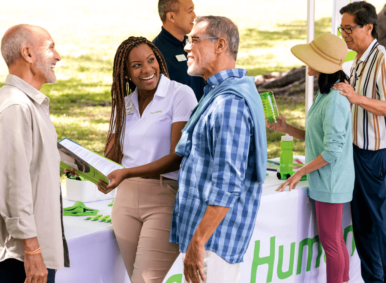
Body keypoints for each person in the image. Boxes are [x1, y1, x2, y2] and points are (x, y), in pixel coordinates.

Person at [172, 16, 267, 283]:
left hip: (213, 241)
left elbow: (227, 183)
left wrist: (199, 241)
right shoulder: (218, 93)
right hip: (206, 237)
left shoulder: (228, 103)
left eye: (194, 40)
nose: (187, 47)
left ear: (220, 45)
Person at [0, 24, 69, 283]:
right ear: (27, 54)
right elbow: (13, 185)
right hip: (20, 256)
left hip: (31, 251)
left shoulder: (27, 103)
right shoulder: (15, 105)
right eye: (50, 48)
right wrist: (33, 250)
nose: (58, 56)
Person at [95, 36, 197, 283]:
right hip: (125, 202)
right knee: (136, 279)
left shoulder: (180, 94)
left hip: (165, 198)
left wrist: (127, 173)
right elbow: (112, 156)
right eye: (137, 65)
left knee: (144, 280)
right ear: (127, 73)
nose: (147, 69)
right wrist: (85, 167)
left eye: (151, 60)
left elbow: (178, 157)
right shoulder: (124, 103)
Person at [270, 33, 354, 283]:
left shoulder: (335, 99)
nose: (306, 63)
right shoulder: (325, 94)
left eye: (311, 58)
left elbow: (332, 151)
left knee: (332, 243)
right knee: (335, 241)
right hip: (326, 179)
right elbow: (317, 138)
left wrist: (300, 172)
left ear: (322, 65)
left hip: (330, 181)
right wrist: (287, 129)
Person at [333, 1, 386, 283]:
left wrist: (356, 98)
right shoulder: (356, 61)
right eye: (342, 29)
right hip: (354, 153)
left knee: (378, 227)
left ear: (368, 26)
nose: (344, 34)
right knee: (363, 226)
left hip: (374, 156)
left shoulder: (382, 60)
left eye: (349, 28)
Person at [152, 0, 206, 101]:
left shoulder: (197, 44)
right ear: (171, 17)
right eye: (189, 11)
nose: (194, 16)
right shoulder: (154, 54)